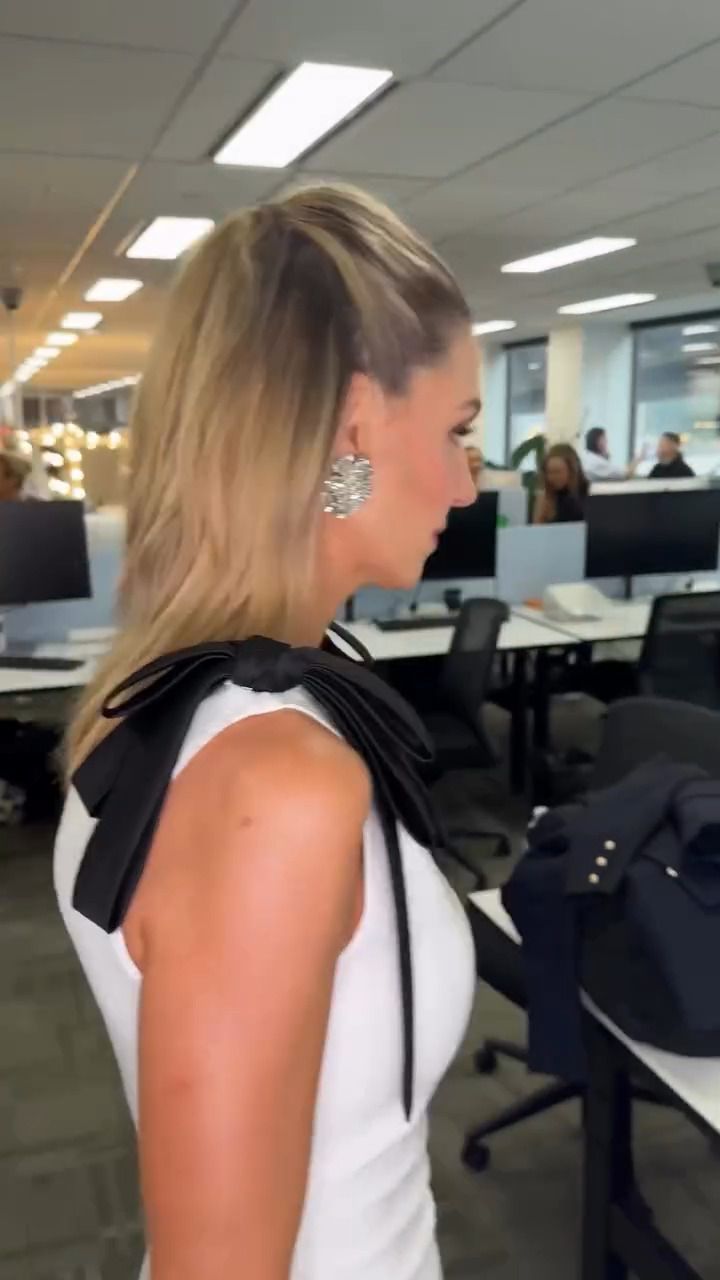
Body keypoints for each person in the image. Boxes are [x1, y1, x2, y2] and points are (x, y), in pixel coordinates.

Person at [54, 186, 479, 1280]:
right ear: (354, 429)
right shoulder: (273, 781)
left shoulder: (166, 690)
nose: (469, 482)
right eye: (458, 430)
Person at [534, 443, 589, 523]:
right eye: (549, 472)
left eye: (557, 472)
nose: (552, 477)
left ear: (572, 471)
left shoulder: (587, 493)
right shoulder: (547, 497)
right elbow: (537, 528)